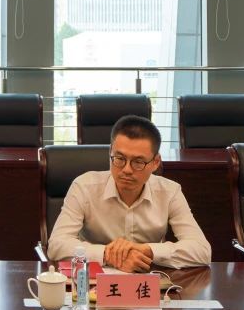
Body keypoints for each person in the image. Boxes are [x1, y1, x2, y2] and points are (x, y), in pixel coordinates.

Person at [47, 115, 211, 271]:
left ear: (155, 162)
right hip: (95, 280)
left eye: (138, 162)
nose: (126, 170)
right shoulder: (84, 186)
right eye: (119, 158)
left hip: (148, 280)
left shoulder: (169, 192)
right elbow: (57, 245)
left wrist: (146, 250)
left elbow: (202, 251)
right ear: (110, 152)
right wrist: (107, 254)